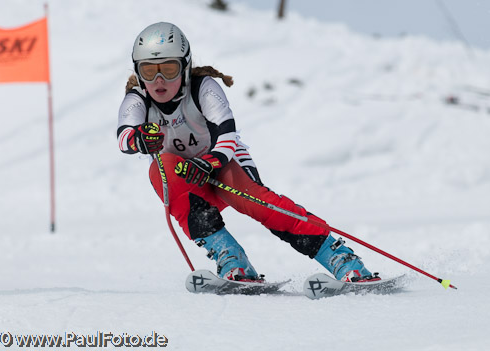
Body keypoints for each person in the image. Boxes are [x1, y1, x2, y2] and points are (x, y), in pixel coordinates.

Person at [117, 22, 379, 283]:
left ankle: (341, 258)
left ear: (185, 68)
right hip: (188, 182)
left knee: (257, 204)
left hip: (222, 165)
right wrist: (139, 139)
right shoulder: (137, 99)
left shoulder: (203, 88)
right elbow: (124, 138)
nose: (159, 79)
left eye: (169, 69)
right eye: (149, 71)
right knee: (161, 168)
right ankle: (231, 258)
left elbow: (227, 136)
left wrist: (208, 164)